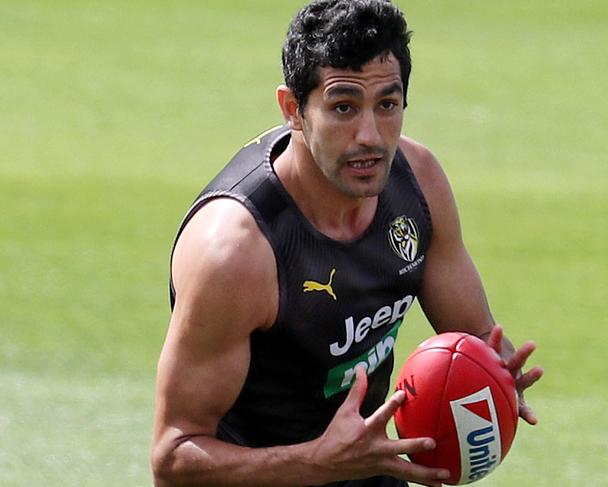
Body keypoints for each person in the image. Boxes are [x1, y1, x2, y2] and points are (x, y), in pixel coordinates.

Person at [150, 1, 543, 486]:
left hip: (364, 466)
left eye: (387, 104)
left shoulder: (418, 186)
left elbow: (475, 338)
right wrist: (318, 461)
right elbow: (172, 459)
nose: (370, 136)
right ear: (294, 109)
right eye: (342, 107)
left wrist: (495, 377)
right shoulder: (236, 254)